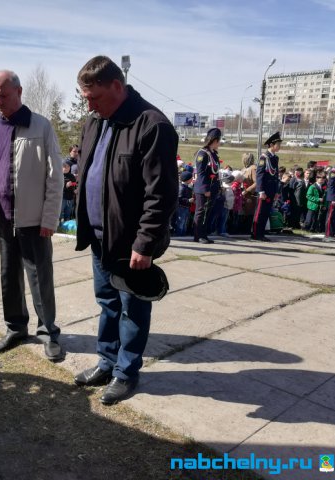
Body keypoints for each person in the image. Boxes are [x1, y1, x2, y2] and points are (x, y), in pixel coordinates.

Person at [72, 56, 178, 405]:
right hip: (99, 238)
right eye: (86, 98)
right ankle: (106, 362)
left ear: (117, 86)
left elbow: (161, 194)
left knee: (132, 308)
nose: (89, 105)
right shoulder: (95, 122)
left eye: (94, 97)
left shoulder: (152, 125)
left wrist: (145, 243)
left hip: (130, 243)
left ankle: (126, 372)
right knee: (107, 302)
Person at [0, 70, 64, 361]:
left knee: (40, 278)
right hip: (1, 220)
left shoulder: (41, 126)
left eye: (4, 95)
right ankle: (16, 327)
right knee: (8, 277)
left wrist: (49, 218)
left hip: (33, 221)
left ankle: (48, 332)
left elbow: (55, 176)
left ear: (19, 92)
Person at [192, 128, 222, 244]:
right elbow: (201, 173)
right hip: (204, 189)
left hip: (212, 187)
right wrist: (205, 189)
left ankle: (204, 234)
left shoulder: (213, 154)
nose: (219, 143)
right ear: (214, 140)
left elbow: (215, 172)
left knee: (207, 213)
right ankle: (198, 235)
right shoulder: (203, 153)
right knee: (201, 212)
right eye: (218, 141)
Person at [251, 132, 282, 242]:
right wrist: (261, 191)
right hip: (264, 190)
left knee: (266, 213)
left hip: (271, 189)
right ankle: (256, 233)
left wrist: (276, 191)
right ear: (272, 145)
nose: (279, 146)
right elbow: (260, 175)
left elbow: (275, 176)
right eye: (278, 144)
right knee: (260, 212)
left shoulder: (275, 158)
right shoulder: (264, 158)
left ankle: (261, 233)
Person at [323, 154, 335, 241]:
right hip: (333, 198)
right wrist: (333, 198)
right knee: (330, 216)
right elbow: (331, 185)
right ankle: (327, 235)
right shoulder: (334, 171)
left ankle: (332, 233)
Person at [174, 171, 194, 236]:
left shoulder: (187, 187)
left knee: (185, 222)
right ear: (187, 179)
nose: (192, 179)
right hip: (181, 207)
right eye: (191, 178)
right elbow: (179, 199)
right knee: (181, 221)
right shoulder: (182, 188)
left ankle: (183, 234)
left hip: (186, 207)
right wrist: (188, 200)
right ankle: (179, 234)